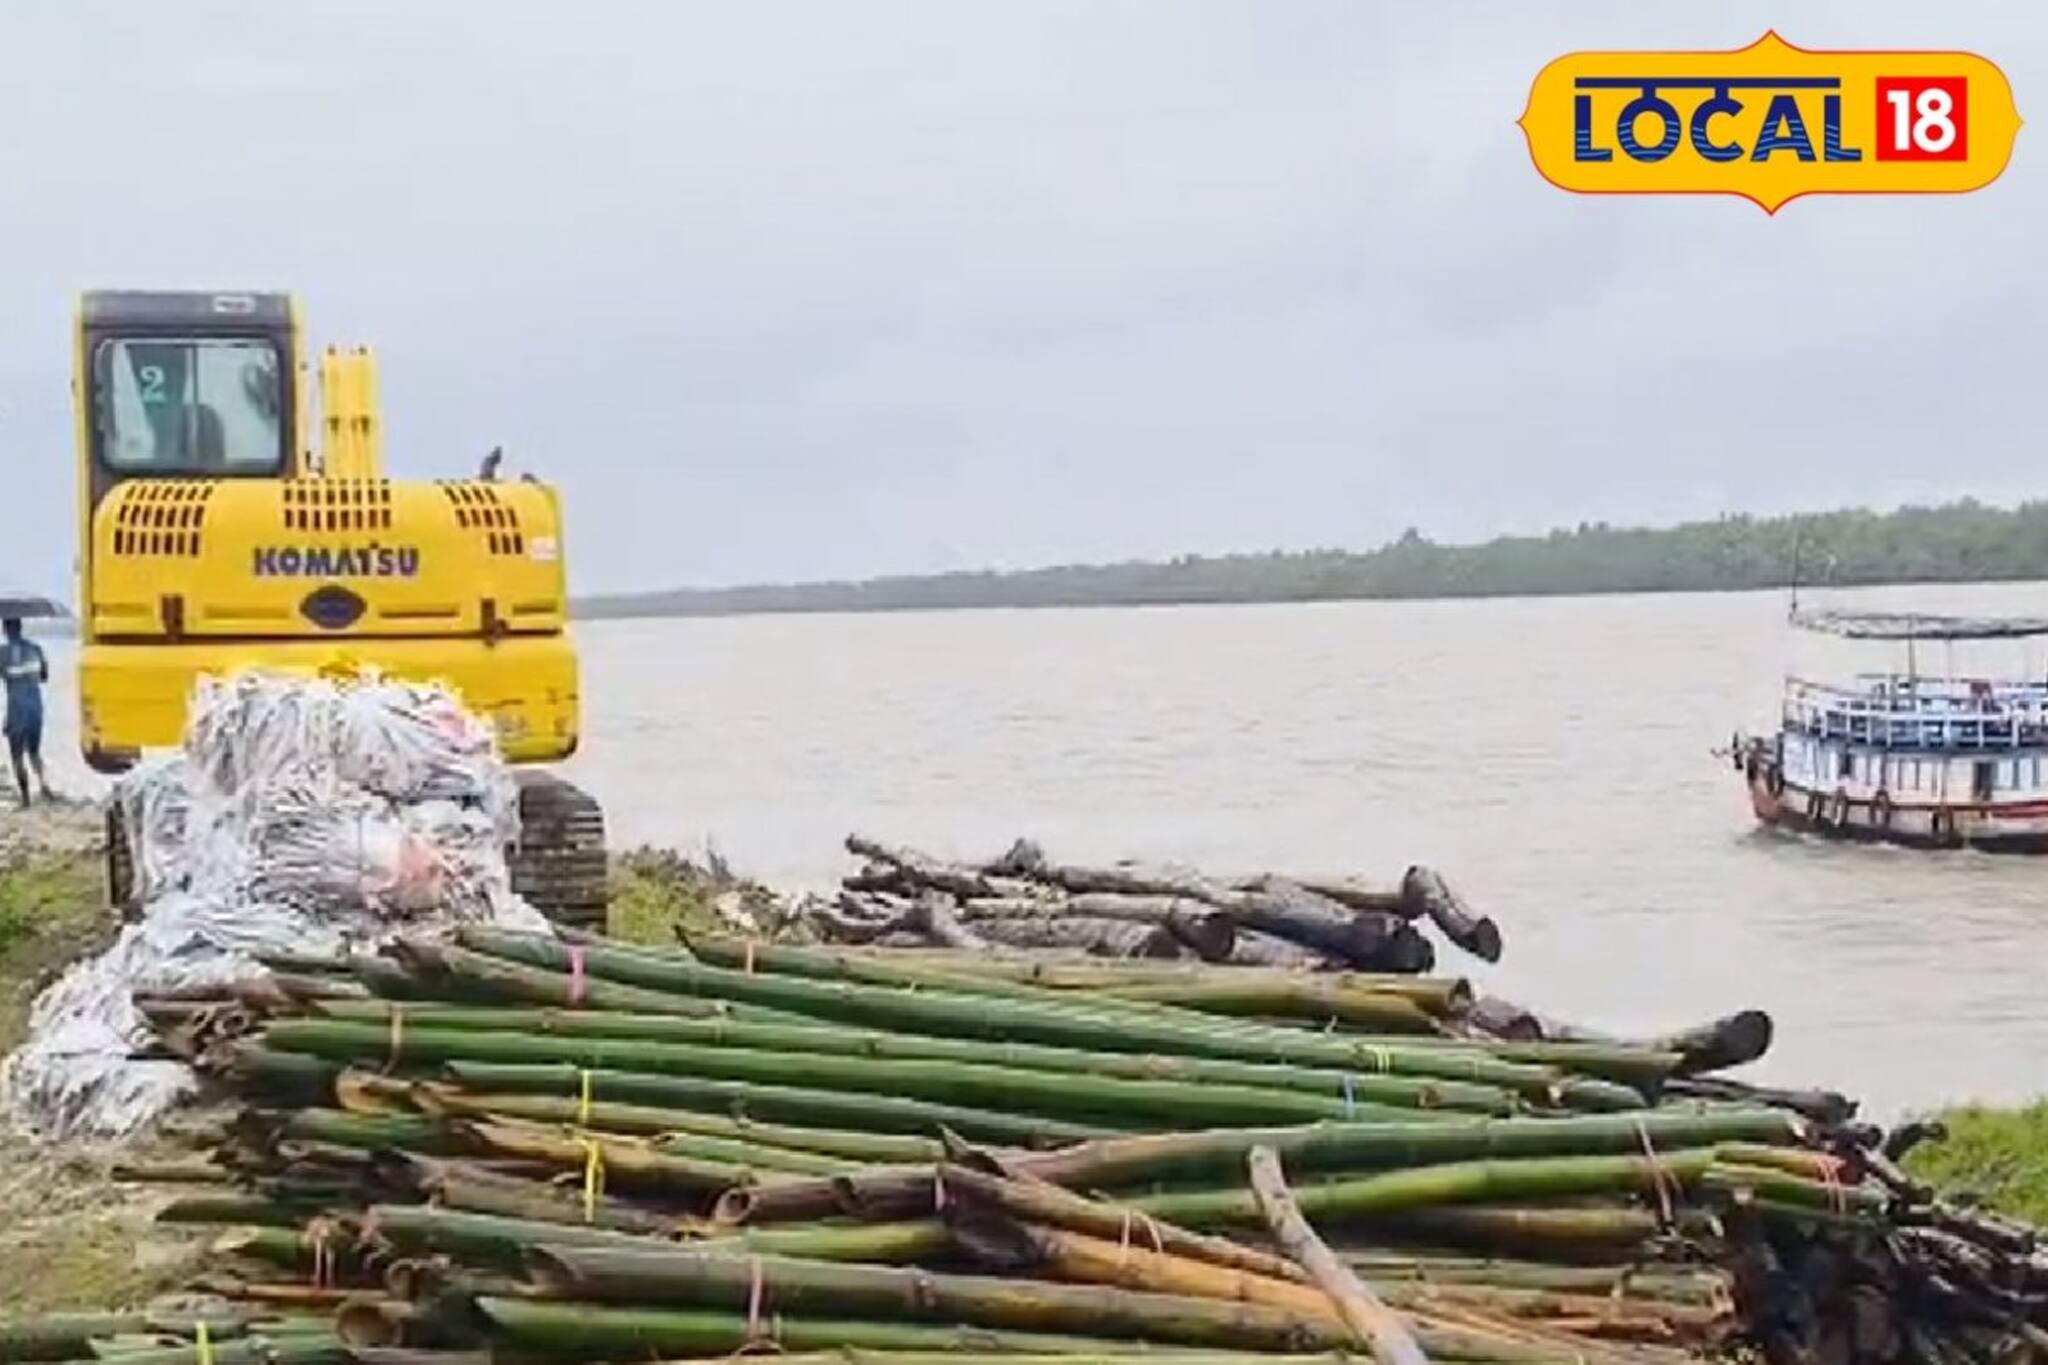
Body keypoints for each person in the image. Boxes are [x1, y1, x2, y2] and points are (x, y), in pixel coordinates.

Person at [2, 617, 50, 807]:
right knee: (34, 751)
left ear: (5, 630)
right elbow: (45, 677)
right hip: (35, 707)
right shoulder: (36, 649)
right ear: (21, 628)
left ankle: (25, 799)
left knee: (17, 756)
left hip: (16, 709)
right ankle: (44, 787)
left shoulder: (2, 653)